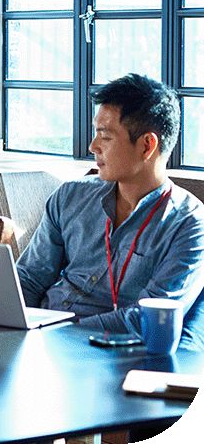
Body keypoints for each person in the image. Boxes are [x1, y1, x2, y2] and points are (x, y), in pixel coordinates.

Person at [16, 73, 204, 350]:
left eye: (105, 136)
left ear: (146, 145)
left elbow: (149, 318)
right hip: (40, 343)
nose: (93, 146)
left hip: (115, 353)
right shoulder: (70, 197)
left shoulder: (188, 223)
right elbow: (29, 280)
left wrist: (57, 333)